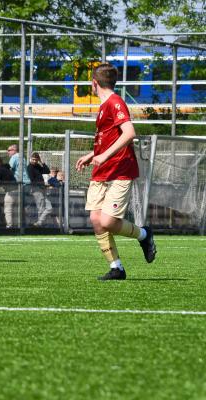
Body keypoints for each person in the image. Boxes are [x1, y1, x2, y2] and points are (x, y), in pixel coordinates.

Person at [75, 63, 156, 281]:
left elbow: (129, 133)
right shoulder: (104, 106)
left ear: (94, 83)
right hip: (102, 171)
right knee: (96, 219)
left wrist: (103, 156)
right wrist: (93, 155)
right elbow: (109, 137)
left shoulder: (115, 102)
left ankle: (144, 235)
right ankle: (116, 267)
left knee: (108, 221)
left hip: (120, 170)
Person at [3, 144, 29, 229]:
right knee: (21, 207)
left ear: (14, 150)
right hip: (26, 184)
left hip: (17, 185)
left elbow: (8, 170)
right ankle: (23, 225)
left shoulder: (14, 157)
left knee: (8, 205)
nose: (8, 152)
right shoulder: (23, 157)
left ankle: (9, 226)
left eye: (9, 150)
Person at [27, 152, 52, 227]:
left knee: (49, 208)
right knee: (40, 208)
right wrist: (42, 184)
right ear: (30, 159)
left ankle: (39, 223)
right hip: (36, 189)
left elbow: (47, 171)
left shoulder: (37, 166)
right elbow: (32, 180)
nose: (34, 161)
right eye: (33, 159)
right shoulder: (29, 167)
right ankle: (39, 225)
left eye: (36, 160)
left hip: (42, 188)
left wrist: (42, 162)